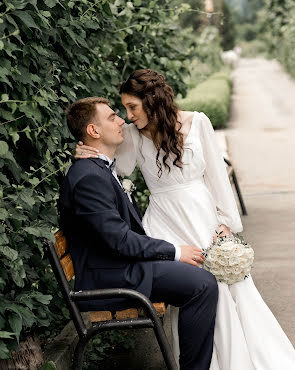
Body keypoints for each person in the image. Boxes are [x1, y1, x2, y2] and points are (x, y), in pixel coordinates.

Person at [75, 69, 295, 370]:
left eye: (132, 107)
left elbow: (216, 176)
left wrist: (226, 221)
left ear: (152, 101)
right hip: (166, 222)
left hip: (203, 214)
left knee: (228, 285)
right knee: (195, 287)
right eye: (123, 109)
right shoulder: (135, 136)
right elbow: (115, 168)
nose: (127, 116)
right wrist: (86, 152)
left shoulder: (198, 121)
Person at [59, 96, 218, 370]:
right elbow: (120, 240)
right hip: (111, 275)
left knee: (199, 280)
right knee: (202, 285)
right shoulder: (89, 178)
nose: (121, 120)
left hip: (118, 265)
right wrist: (175, 251)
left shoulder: (98, 168)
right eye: (112, 117)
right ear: (93, 131)